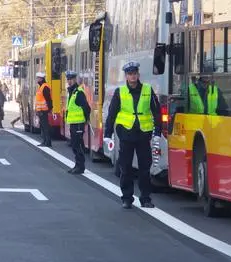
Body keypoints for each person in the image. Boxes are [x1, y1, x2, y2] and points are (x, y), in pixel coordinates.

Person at [103, 61, 162, 209]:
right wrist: (107, 133)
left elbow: (157, 112)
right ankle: (127, 198)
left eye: (135, 74)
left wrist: (157, 132)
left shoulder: (148, 90)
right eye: (130, 74)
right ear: (126, 76)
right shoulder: (120, 92)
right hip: (126, 134)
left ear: (138, 75)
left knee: (144, 168)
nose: (133, 76)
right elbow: (112, 114)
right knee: (126, 167)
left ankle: (146, 198)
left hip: (143, 134)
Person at [65, 71, 91, 174]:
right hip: (73, 123)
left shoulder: (79, 92)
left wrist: (86, 119)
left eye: (71, 79)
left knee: (78, 145)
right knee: (74, 145)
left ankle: (81, 166)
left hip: (79, 123)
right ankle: (77, 165)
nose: (69, 81)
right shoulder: (72, 92)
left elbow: (86, 107)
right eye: (68, 79)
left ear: (75, 79)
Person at [35, 72, 53, 147]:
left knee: (45, 127)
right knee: (43, 126)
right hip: (41, 110)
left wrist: (49, 109)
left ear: (41, 79)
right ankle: (45, 141)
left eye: (38, 78)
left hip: (44, 110)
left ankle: (47, 142)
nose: (37, 79)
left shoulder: (45, 87)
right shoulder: (41, 87)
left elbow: (49, 99)